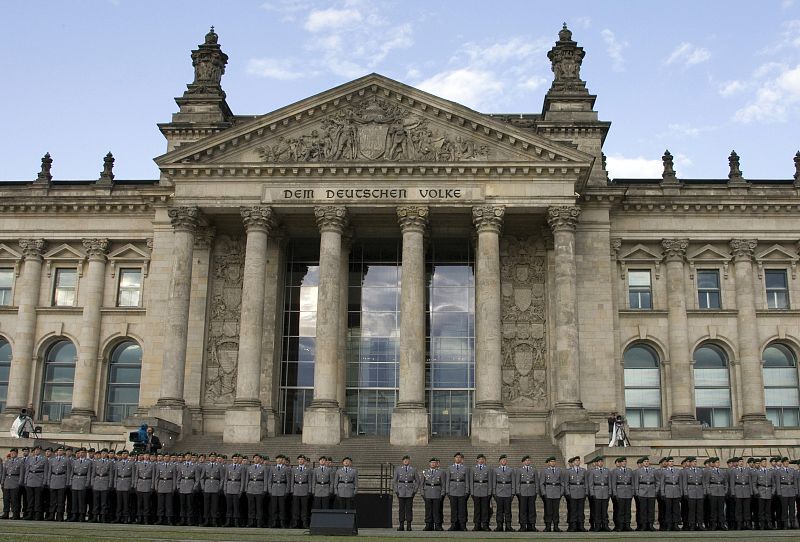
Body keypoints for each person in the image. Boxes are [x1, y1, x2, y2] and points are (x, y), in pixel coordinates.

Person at [392, 455, 419, 531]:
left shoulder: (413, 469)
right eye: (404, 460)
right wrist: (396, 490)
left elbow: (418, 481)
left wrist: (415, 490)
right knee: (401, 509)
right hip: (401, 491)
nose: (406, 461)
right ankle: (401, 525)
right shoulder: (398, 469)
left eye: (407, 460)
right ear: (402, 461)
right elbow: (394, 481)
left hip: (410, 492)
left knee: (409, 509)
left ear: (409, 461)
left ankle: (409, 525)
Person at [21, 444, 48, 520]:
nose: (37, 451)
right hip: (30, 479)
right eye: (36, 450)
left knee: (38, 499)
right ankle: (30, 513)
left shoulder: (44, 459)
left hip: (39, 480)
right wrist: (25, 480)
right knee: (30, 499)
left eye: (38, 450)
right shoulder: (30, 459)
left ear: (41, 451)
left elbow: (45, 471)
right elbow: (27, 470)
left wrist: (44, 482)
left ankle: (37, 514)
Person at [539, 455, 563, 532]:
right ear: (548, 463)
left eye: (554, 461)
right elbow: (542, 483)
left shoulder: (559, 470)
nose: (553, 463)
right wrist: (544, 493)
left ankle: (556, 526)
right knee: (548, 510)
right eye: (551, 461)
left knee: (556, 510)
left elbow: (562, 482)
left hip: (556, 492)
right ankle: (548, 526)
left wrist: (561, 493)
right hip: (548, 493)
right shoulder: (544, 471)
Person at [587, 455, 611, 532]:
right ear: (597, 463)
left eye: (602, 461)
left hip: (605, 492)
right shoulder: (593, 471)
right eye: (599, 461)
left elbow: (609, 482)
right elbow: (591, 483)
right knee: (597, 510)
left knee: (604, 510)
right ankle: (597, 525)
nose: (601, 463)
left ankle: (605, 525)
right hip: (596, 492)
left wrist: (610, 492)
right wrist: (592, 493)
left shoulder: (607, 470)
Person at [446, 452, 468, 531]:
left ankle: (462, 524)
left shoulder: (465, 468)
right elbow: (447, 480)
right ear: (454, 459)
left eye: (459, 457)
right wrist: (447, 490)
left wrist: (467, 490)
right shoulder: (450, 468)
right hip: (452, 490)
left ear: (462, 459)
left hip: (462, 490)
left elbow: (467, 480)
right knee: (454, 509)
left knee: (462, 509)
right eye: (456, 457)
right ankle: (454, 524)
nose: (458, 459)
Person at [515, 455, 538, 532]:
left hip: (531, 491)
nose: (527, 461)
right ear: (523, 462)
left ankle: (532, 525)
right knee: (522, 510)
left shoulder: (534, 470)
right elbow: (517, 482)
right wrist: (518, 492)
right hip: (523, 491)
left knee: (532, 509)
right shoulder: (519, 470)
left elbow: (536, 482)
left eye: (529, 460)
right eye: (526, 460)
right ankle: (523, 525)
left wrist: (536, 491)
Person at [491, 454, 514, 532]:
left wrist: (513, 492)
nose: (504, 461)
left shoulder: (510, 470)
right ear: (499, 461)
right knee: (499, 510)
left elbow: (513, 482)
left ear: (506, 461)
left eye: (505, 460)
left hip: (508, 492)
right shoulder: (495, 470)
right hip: (499, 492)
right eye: (502, 460)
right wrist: (494, 492)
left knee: (508, 510)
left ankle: (508, 526)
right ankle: (499, 526)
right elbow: (494, 481)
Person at [633, 456, 656, 531]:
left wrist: (656, 490)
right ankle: (644, 525)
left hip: (651, 491)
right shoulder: (639, 471)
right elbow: (636, 482)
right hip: (642, 491)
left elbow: (657, 481)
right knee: (643, 509)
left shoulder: (653, 470)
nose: (646, 463)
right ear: (642, 463)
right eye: (645, 461)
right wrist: (637, 492)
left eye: (647, 461)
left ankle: (650, 524)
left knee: (651, 509)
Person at [681, 456, 705, 530]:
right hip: (691, 492)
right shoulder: (686, 471)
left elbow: (703, 482)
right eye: (693, 462)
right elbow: (684, 483)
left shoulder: (700, 470)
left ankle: (700, 524)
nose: (695, 463)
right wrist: (685, 493)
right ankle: (692, 524)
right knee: (692, 510)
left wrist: (704, 491)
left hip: (699, 491)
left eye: (695, 462)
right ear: (690, 463)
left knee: (700, 510)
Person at [610, 456, 633, 531]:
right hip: (620, 492)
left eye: (625, 461)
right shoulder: (616, 471)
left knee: (627, 510)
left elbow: (632, 482)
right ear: (620, 463)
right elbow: (613, 483)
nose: (624, 463)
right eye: (622, 461)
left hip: (628, 492)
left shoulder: (629, 470)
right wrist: (615, 493)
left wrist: (632, 492)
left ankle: (627, 525)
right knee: (620, 510)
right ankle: (620, 526)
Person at [469, 454, 491, 531]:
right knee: (477, 509)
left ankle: (485, 525)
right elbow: (471, 481)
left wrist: (489, 491)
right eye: (479, 459)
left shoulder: (488, 468)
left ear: (485, 461)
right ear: (477, 460)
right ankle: (477, 525)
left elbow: (490, 481)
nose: (481, 460)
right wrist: (472, 491)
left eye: (482, 459)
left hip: (485, 491)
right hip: (476, 490)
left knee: (485, 509)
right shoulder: (473, 468)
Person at [47, 446, 69, 521]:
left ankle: (60, 516)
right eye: (59, 450)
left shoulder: (66, 460)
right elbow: (49, 471)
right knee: (52, 500)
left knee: (61, 500)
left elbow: (68, 472)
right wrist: (48, 481)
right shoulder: (52, 460)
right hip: (53, 480)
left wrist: (67, 482)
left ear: (63, 452)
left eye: (61, 450)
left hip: (62, 480)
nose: (60, 452)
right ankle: (51, 515)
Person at [422, 457, 444, 531]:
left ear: (436, 464)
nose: (433, 464)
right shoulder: (425, 472)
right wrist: (422, 493)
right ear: (429, 464)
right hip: (427, 492)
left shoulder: (440, 472)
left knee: (436, 510)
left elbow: (443, 484)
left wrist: (442, 493)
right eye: (431, 462)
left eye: (434, 463)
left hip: (437, 492)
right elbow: (422, 483)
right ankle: (428, 525)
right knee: (428, 510)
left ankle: (437, 525)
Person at [1, 448, 23, 520]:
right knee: (6, 499)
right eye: (11, 453)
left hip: (15, 481)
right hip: (7, 482)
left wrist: (20, 482)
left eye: (14, 452)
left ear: (17, 453)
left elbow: (21, 473)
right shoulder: (7, 461)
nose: (12, 454)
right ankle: (6, 513)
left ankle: (15, 514)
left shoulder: (20, 461)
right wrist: (2, 482)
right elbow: (4, 473)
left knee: (15, 499)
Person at [290, 455, 311, 529]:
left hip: (304, 489)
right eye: (299, 459)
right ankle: (295, 523)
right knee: (296, 508)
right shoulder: (294, 469)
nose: (300, 461)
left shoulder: (308, 470)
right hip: (296, 490)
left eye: (302, 459)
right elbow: (292, 480)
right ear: (297, 461)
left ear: (304, 461)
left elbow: (310, 481)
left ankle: (304, 522)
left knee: (304, 508)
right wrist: (292, 490)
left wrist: (309, 491)